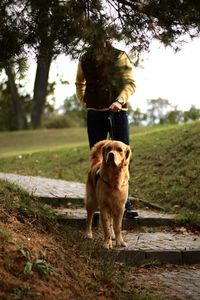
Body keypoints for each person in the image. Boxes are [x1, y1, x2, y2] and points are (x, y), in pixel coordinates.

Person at [75, 39, 138, 218]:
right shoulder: (85, 58)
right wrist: (85, 102)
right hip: (94, 114)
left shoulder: (119, 56)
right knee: (97, 159)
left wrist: (119, 101)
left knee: (122, 157)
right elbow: (79, 83)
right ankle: (97, 202)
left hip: (118, 112)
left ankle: (125, 203)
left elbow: (130, 83)